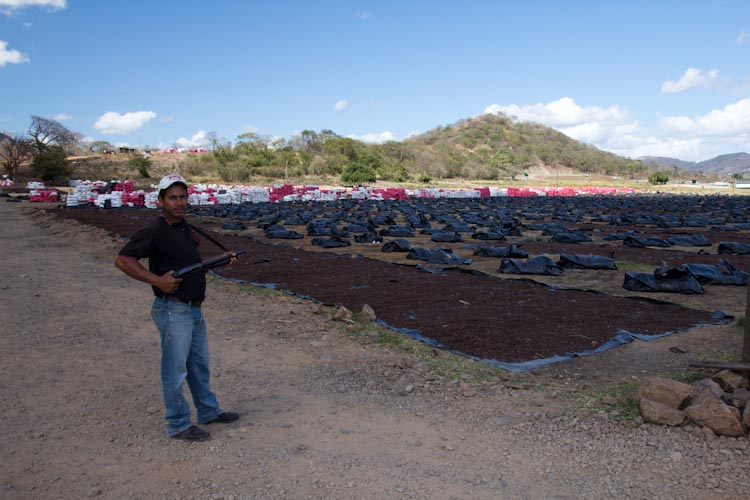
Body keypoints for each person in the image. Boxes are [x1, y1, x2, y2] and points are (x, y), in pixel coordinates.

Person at [115, 173, 239, 441]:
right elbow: (124, 260)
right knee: (175, 369)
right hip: (173, 309)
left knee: (198, 365)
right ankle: (178, 424)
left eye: (183, 197)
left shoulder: (184, 227)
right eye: (173, 197)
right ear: (160, 200)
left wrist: (219, 259)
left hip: (193, 309)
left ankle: (208, 411)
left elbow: (189, 263)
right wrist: (157, 281)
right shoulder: (154, 230)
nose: (179, 202)